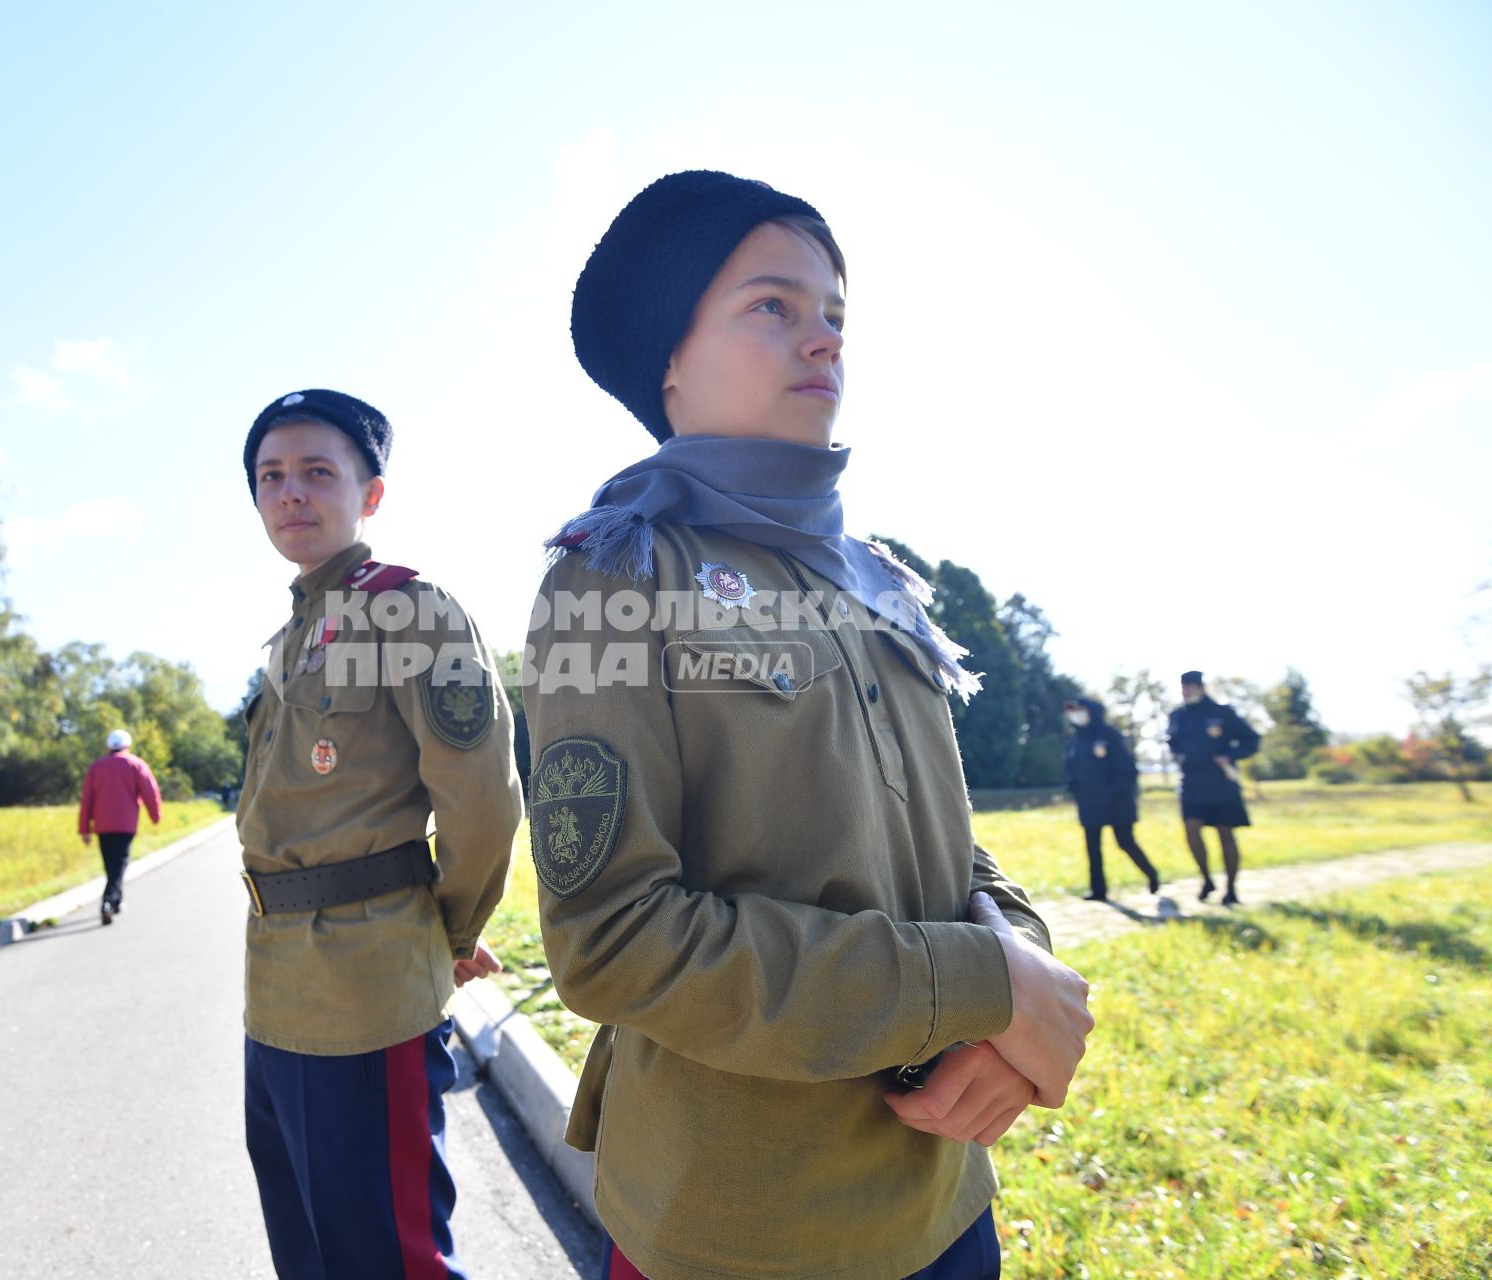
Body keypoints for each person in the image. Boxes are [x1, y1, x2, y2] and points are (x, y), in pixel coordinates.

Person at [524, 170, 1094, 1280]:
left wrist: (1017, 958)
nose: (824, 341)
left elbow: (938, 843)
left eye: (834, 314)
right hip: (742, 1227)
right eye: (773, 307)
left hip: (942, 1201)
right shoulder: (617, 577)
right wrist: (973, 981)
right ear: (669, 360)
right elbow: (614, 938)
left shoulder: (880, 580)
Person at [235, 388, 523, 1279]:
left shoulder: (408, 610)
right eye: (270, 476)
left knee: (389, 1261)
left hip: (366, 990)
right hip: (275, 988)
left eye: (318, 472)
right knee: (310, 1254)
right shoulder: (289, 637)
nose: (291, 493)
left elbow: (483, 798)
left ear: (372, 494)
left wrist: (453, 934)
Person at [1166, 669, 1261, 906]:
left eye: (1189, 686)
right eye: (1182, 687)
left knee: (1225, 833)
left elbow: (1252, 740)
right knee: (1191, 829)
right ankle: (1206, 879)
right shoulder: (1177, 715)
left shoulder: (1222, 713)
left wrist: (1230, 755)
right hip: (1191, 782)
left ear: (1200, 687)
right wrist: (1176, 755)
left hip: (1221, 784)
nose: (1185, 691)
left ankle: (1231, 889)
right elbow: (1172, 741)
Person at [1062, 698, 1159, 900]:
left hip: (1117, 802)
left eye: (1080, 709)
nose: (1076, 714)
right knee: (1093, 847)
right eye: (1073, 711)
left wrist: (1111, 793)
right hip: (1088, 802)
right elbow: (1071, 768)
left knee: (1125, 842)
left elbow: (1127, 770)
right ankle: (1098, 890)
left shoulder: (1110, 735)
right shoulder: (1075, 739)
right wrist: (1073, 787)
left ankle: (1151, 874)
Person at [78, 728, 162, 926]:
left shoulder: (97, 767)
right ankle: (108, 901)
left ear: (108, 747)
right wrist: (155, 815)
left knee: (111, 865)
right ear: (128, 745)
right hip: (125, 824)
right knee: (120, 864)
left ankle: (116, 901)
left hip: (102, 825)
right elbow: (150, 791)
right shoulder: (136, 764)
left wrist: (84, 828)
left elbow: (87, 799)